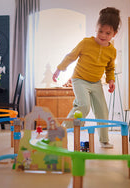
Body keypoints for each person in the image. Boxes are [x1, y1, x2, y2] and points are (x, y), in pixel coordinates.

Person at [52, 7, 121, 148]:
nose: (103, 35)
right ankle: (61, 131)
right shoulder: (86, 43)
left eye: (107, 33)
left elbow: (110, 68)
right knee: (83, 105)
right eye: (100, 31)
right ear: (96, 29)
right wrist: (59, 69)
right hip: (79, 79)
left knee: (102, 110)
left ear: (114, 33)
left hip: (96, 83)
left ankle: (104, 139)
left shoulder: (112, 51)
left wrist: (111, 80)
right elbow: (71, 56)